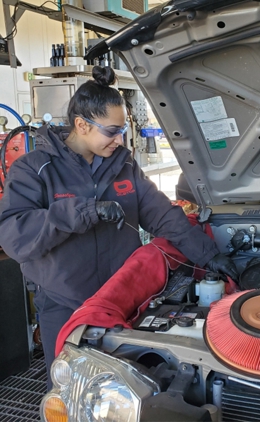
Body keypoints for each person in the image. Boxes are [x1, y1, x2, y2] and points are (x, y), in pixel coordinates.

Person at [0, 66, 238, 388]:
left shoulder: (123, 165)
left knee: (126, 392)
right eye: (112, 131)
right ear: (82, 125)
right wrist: (83, 212)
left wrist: (209, 255)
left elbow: (163, 215)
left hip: (124, 300)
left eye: (123, 129)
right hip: (66, 306)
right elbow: (16, 236)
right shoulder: (35, 169)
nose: (120, 139)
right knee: (71, 392)